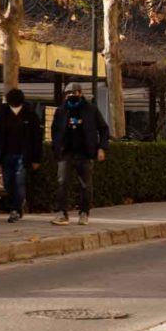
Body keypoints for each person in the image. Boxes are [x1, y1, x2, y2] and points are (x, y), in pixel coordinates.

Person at [51, 82, 109, 225]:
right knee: (62, 182)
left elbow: (103, 129)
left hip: (85, 152)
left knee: (85, 185)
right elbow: (54, 130)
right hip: (67, 152)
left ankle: (84, 212)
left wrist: (102, 147)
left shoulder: (91, 110)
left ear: (80, 93)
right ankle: (62, 213)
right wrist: (56, 147)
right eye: (68, 93)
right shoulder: (61, 110)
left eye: (74, 93)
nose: (71, 96)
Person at [0, 88, 42, 223]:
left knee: (19, 182)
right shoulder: (3, 113)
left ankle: (15, 209)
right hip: (6, 154)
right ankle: (16, 204)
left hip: (23, 155)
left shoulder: (30, 115)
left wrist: (36, 158)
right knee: (7, 183)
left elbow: (37, 138)